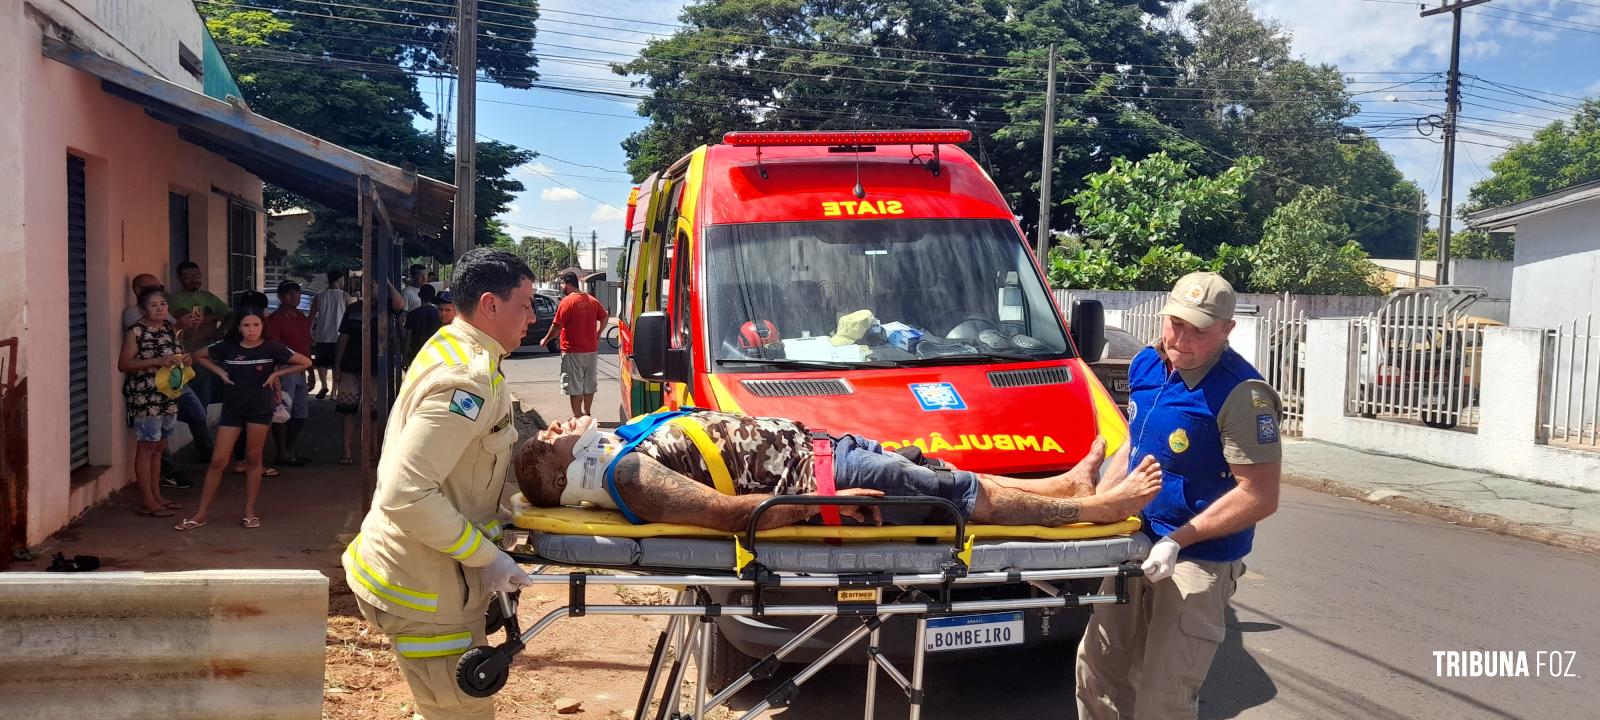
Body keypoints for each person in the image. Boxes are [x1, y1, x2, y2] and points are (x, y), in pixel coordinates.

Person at [1075, 272, 1283, 720]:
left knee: (1162, 701)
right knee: (1097, 673)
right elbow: (1135, 444)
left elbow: (1260, 495)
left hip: (1197, 560)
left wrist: (1177, 541)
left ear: (1227, 329)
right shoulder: (1146, 364)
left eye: (1200, 331)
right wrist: (1099, 509)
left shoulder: (1243, 394)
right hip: (1134, 543)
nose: (1181, 340)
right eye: (1176, 323)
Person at [340, 248, 537, 720]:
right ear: (490, 304)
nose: (533, 316)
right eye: (525, 303)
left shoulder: (458, 348)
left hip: (430, 577)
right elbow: (405, 493)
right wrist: (486, 556)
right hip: (425, 591)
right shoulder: (466, 380)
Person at [518, 413, 1163, 531]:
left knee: (940, 471)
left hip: (820, 448)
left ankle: (1064, 485)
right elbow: (730, 515)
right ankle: (1090, 510)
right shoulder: (630, 475)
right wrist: (826, 502)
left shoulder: (623, 449)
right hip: (822, 472)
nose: (558, 428)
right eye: (550, 441)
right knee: (958, 495)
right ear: (560, 473)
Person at [175, 308, 311, 531]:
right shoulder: (227, 347)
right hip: (233, 408)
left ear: (262, 327)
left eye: (256, 325)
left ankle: (249, 510)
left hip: (260, 408)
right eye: (246, 325)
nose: (251, 330)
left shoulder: (272, 348)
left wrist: (276, 374)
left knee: (253, 458)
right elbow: (199, 355)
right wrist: (220, 372)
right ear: (238, 328)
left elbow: (304, 361)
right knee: (218, 459)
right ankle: (201, 514)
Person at [117, 287, 187, 517]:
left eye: (163, 304)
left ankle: (158, 496)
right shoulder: (136, 331)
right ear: (142, 309)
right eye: (153, 305)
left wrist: (184, 359)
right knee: (146, 447)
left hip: (168, 394)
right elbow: (124, 364)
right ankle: (147, 500)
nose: (159, 309)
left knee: (159, 447)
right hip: (146, 396)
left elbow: (178, 354)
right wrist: (157, 361)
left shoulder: (169, 328)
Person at [540, 271, 607, 418]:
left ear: (568, 284)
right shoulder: (592, 300)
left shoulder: (567, 302)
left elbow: (556, 326)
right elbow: (604, 316)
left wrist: (546, 339)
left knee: (575, 386)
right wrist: (598, 333)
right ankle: (587, 413)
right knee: (589, 384)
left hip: (572, 351)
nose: (561, 287)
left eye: (562, 283)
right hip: (591, 350)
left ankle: (577, 417)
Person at [166, 261, 231, 405]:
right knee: (199, 394)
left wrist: (220, 329)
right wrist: (214, 317)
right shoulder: (175, 299)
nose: (194, 279)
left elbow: (230, 314)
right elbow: (188, 325)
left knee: (220, 390)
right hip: (190, 352)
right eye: (188, 276)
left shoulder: (208, 296)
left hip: (211, 349)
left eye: (197, 275)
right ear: (179, 278)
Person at [265, 280, 313, 466]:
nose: (295, 297)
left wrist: (310, 370)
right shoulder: (275, 320)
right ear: (281, 296)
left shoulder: (301, 316)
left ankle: (289, 449)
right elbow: (273, 348)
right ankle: (282, 452)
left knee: (300, 413)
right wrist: (276, 374)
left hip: (300, 368)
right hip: (284, 369)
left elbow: (306, 345)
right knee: (283, 411)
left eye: (297, 293)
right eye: (290, 294)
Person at [310, 271, 351, 398]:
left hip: (322, 334)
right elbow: (350, 314)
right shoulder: (344, 295)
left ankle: (323, 385)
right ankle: (334, 392)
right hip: (339, 335)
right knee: (336, 364)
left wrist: (309, 331)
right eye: (343, 279)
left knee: (321, 363)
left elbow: (311, 316)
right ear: (339, 279)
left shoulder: (319, 295)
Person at [405, 283, 443, 362]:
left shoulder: (412, 314)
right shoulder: (439, 314)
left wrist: (405, 357)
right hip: (435, 353)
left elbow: (408, 337)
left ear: (419, 295)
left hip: (416, 354)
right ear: (433, 297)